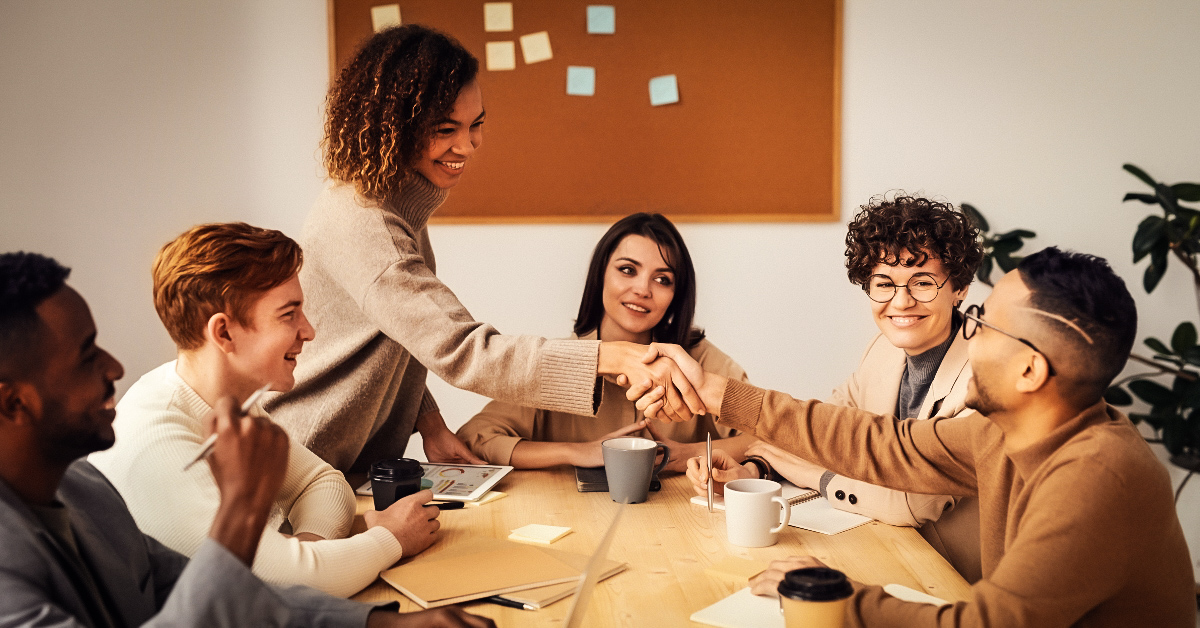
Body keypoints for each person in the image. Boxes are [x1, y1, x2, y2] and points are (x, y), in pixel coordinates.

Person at [639, 248, 1194, 627]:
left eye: (980, 322)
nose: (966, 336)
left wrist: (845, 599)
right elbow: (885, 444)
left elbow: (987, 625)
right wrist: (721, 394)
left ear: (1030, 370)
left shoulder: (1098, 476)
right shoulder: (1003, 431)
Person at [265, 24, 703, 473]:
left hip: (344, 467)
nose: (467, 145)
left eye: (476, 125)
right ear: (394, 127)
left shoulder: (394, 205)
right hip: (301, 462)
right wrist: (606, 356)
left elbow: (402, 337)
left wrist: (430, 423)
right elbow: (464, 350)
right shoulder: (368, 225)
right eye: (445, 128)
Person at [0, 251, 494, 628]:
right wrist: (243, 508)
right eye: (87, 357)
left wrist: (383, 623)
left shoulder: (82, 487)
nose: (115, 368)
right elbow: (247, 578)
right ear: (13, 403)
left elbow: (224, 593)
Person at [90, 223, 438, 598]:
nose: (309, 331)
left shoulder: (225, 401)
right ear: (223, 333)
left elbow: (323, 483)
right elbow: (279, 586)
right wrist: (390, 539)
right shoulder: (159, 442)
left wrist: (307, 553)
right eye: (289, 314)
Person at [687, 194, 984, 580]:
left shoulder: (984, 374)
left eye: (923, 282)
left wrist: (816, 476)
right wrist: (755, 469)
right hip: (887, 553)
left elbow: (910, 503)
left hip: (957, 579)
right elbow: (824, 432)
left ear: (959, 287)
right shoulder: (882, 350)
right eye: (884, 283)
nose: (901, 301)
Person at [456, 213, 754, 471]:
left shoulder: (701, 361)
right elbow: (474, 438)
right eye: (627, 270)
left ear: (677, 296)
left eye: (662, 279)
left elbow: (771, 438)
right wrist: (578, 451)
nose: (642, 289)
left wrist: (689, 454)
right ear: (601, 275)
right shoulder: (558, 363)